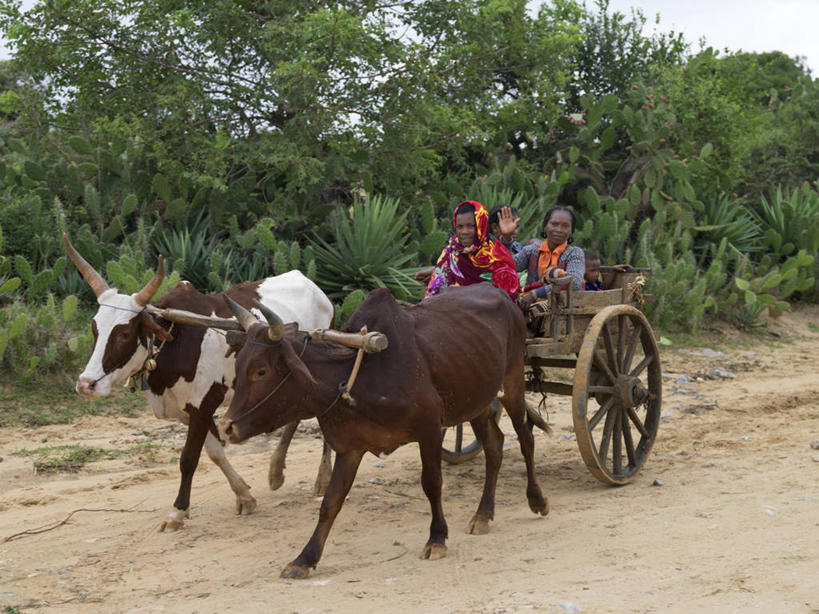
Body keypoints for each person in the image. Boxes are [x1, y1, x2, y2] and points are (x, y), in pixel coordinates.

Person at [423, 200, 520, 302]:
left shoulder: (497, 255)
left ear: (481, 225)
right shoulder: (450, 253)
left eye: (470, 226)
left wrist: (507, 238)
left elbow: (508, 301)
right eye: (460, 227)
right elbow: (434, 291)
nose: (464, 232)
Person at [513, 205, 585, 307]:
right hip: (527, 303)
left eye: (565, 226)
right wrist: (507, 238)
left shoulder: (574, 253)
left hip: (562, 308)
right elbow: (508, 266)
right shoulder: (532, 250)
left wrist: (535, 294)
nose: (559, 229)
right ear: (545, 227)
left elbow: (573, 283)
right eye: (554, 224)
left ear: (571, 232)